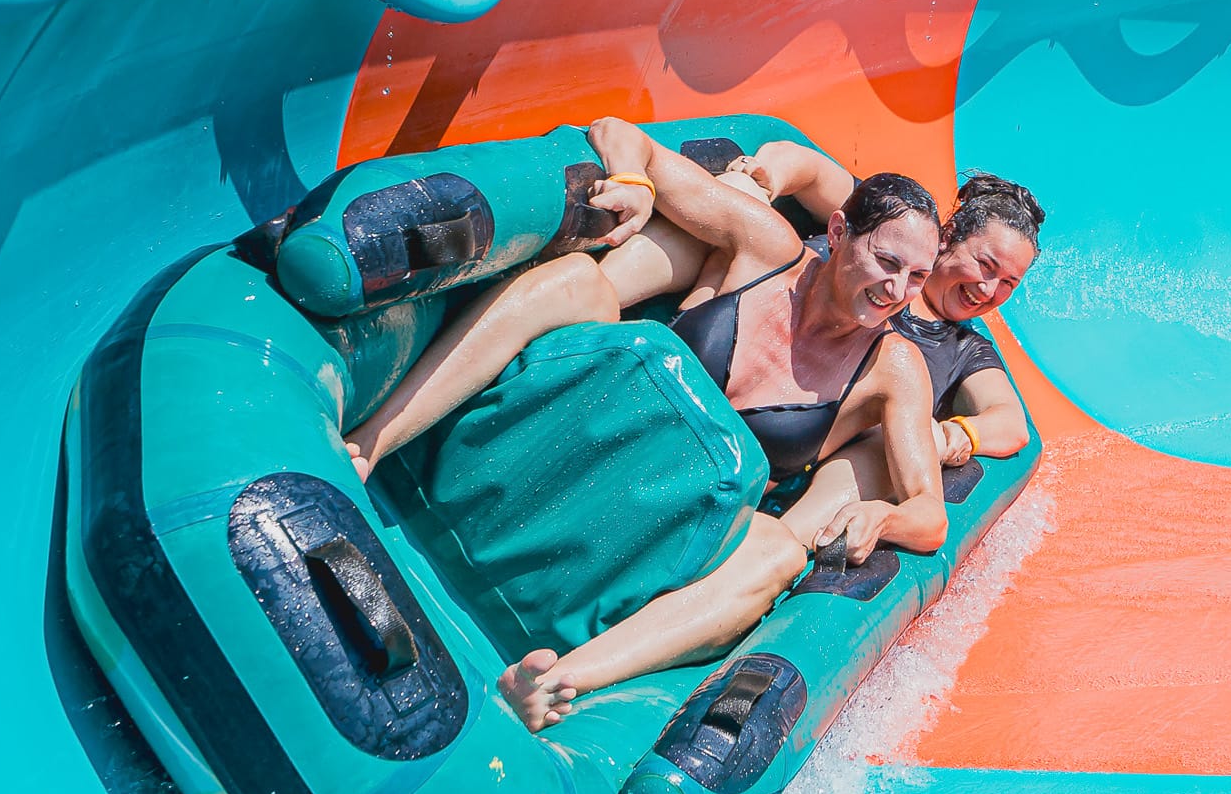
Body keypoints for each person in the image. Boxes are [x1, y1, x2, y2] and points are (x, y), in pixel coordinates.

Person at [342, 117, 948, 731]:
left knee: (776, 552)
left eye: (917, 277)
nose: (897, 288)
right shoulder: (764, 245)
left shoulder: (893, 369)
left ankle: (554, 680)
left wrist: (887, 514)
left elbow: (931, 514)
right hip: (566, 436)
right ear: (840, 232)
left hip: (655, 533)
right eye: (886, 260)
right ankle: (372, 441)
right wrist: (634, 182)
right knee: (578, 282)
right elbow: (617, 133)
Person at [714, 145, 1043, 520]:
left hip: (791, 458)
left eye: (1008, 283)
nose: (988, 289)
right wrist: (763, 178)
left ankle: (788, 535)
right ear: (947, 236)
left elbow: (1012, 423)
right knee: (742, 216)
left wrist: (949, 436)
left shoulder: (963, 349)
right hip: (740, 368)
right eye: (986, 265)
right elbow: (808, 168)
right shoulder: (893, 228)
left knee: (882, 443)